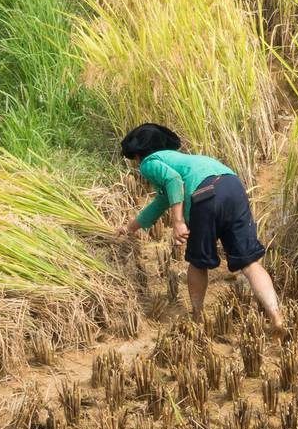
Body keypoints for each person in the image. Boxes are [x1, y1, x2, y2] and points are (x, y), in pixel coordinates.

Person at [116, 123, 284, 332]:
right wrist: (129, 228)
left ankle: (196, 317)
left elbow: (173, 181)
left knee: (198, 262)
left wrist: (178, 222)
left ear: (139, 154)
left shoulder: (149, 162)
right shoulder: (185, 160)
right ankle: (276, 316)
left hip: (205, 195)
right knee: (249, 263)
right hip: (233, 188)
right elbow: (160, 202)